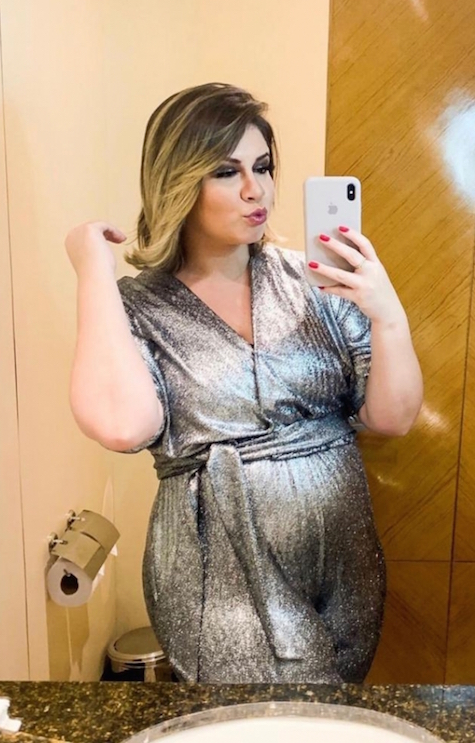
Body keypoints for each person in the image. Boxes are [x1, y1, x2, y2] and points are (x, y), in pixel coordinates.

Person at [65, 83, 423, 683]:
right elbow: (124, 426)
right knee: (256, 716)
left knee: (328, 718)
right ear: (179, 182)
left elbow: (393, 417)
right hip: (219, 571)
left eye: (264, 167)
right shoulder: (137, 306)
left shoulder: (313, 279)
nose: (257, 190)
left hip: (346, 565)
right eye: (227, 172)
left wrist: (388, 315)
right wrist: (93, 272)